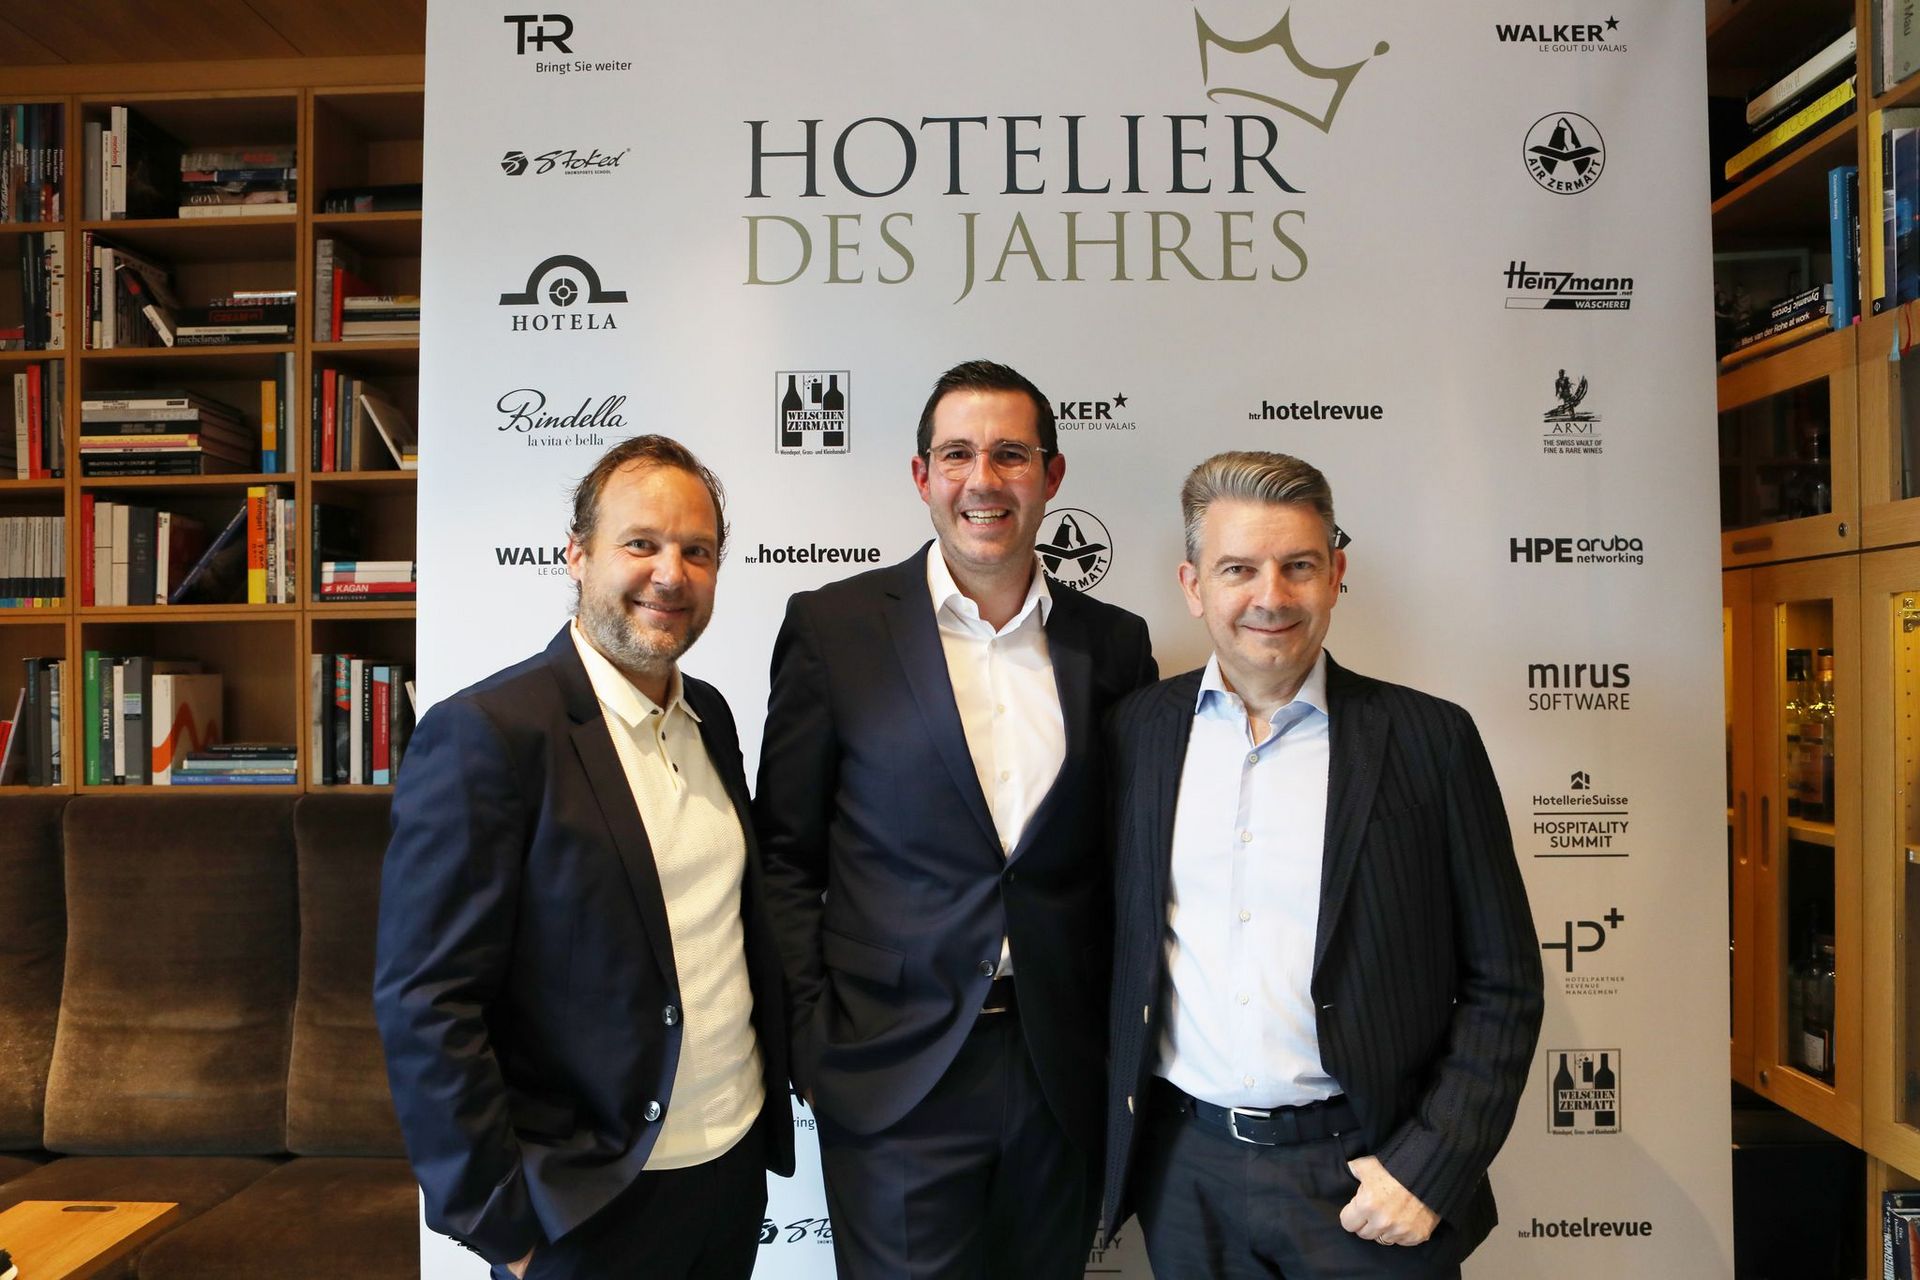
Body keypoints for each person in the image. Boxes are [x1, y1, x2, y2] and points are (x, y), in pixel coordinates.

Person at [755, 359, 1157, 1278]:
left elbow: (1124, 862)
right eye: (958, 455)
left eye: (1011, 455)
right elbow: (784, 854)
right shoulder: (834, 629)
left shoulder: (1115, 644)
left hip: (1061, 1073)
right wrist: (815, 1040)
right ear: (922, 475)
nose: (984, 479)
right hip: (894, 1073)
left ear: (1051, 476)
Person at [1101, 451, 1543, 1278]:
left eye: (1298, 566)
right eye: (1238, 569)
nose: (1270, 596)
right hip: (1185, 1174)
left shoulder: (1431, 741)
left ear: (1336, 576)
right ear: (1193, 586)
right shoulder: (1135, 733)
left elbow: (1505, 983)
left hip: (1369, 1177)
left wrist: (1431, 1164)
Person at [374, 435, 793, 1280]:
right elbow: (428, 1001)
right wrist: (503, 1226)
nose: (671, 574)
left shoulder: (710, 715)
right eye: (641, 543)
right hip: (586, 1205)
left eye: (697, 551)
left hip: (728, 1175)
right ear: (577, 555)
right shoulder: (488, 735)